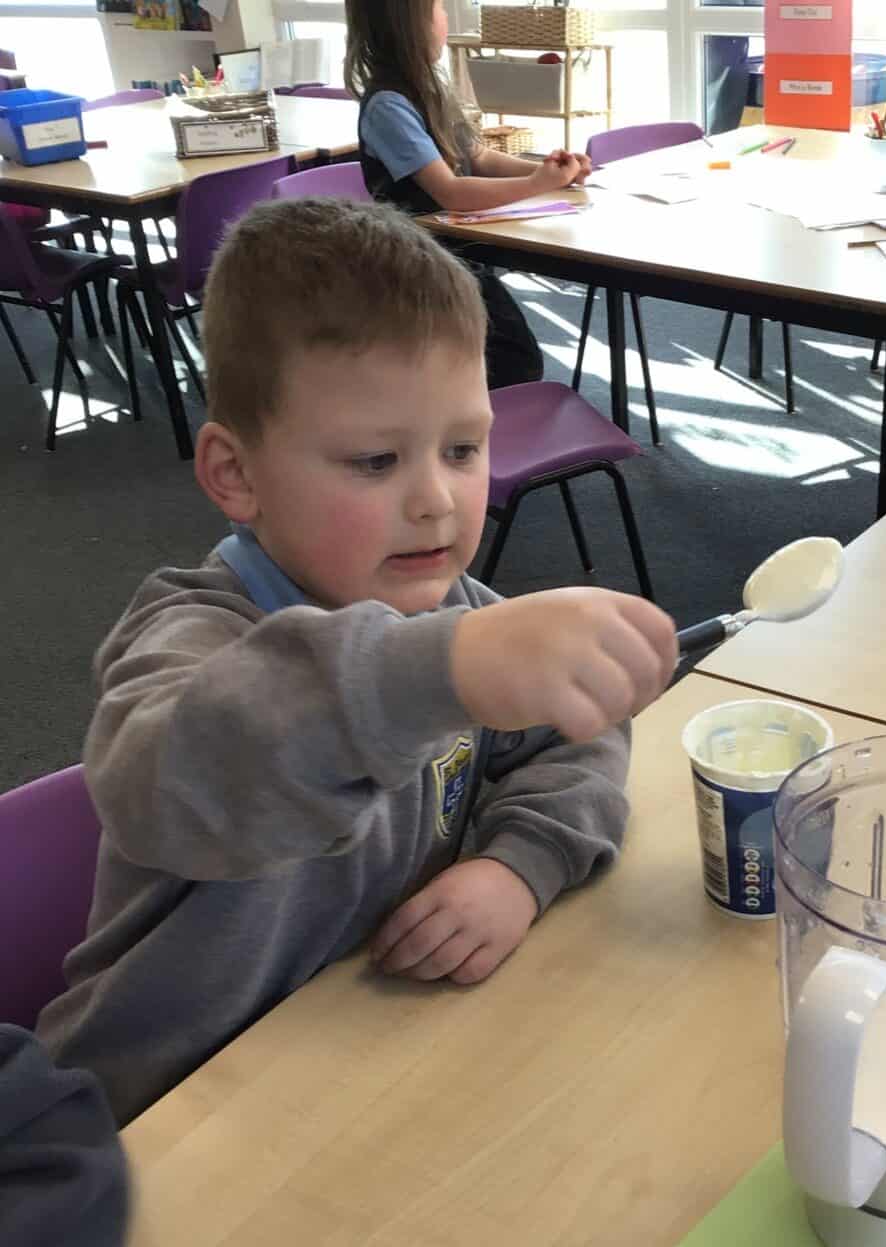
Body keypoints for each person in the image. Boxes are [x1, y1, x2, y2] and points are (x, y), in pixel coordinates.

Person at [37, 199, 678, 1127]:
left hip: (353, 1056)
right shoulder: (193, 632)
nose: (437, 500)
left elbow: (581, 739)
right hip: (154, 1112)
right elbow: (169, 782)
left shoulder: (452, 612)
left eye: (463, 448)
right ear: (236, 475)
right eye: (377, 461)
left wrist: (520, 864)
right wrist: (443, 674)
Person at [346, 0, 592, 390]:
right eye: (438, 9)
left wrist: (555, 173)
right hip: (423, 261)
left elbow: (479, 157)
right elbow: (451, 192)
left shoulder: (429, 86)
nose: (445, 18)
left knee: (514, 358)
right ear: (409, 25)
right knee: (514, 360)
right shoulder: (387, 105)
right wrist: (538, 183)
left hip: (460, 249)